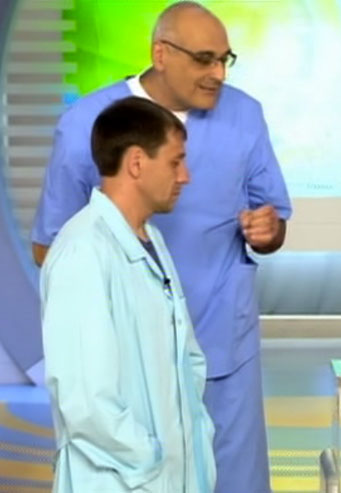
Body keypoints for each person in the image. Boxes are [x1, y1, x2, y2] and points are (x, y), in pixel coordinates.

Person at [32, 3, 291, 492]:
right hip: (131, 368)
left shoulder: (244, 116)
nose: (218, 73)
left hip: (221, 345)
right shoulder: (86, 125)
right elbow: (53, 251)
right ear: (161, 54)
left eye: (225, 60)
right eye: (204, 59)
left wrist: (269, 229)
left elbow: (274, 216)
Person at [41, 96, 215, 493]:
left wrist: (197, 443)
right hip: (125, 481)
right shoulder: (82, 252)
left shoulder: (151, 241)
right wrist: (148, 460)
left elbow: (187, 362)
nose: (185, 176)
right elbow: (86, 401)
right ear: (137, 163)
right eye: (175, 162)